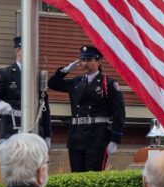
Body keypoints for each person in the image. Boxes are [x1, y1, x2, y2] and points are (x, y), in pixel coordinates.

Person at [47, 44, 126, 172]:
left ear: (99, 61)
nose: (85, 63)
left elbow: (119, 112)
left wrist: (115, 138)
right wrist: (66, 70)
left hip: (97, 136)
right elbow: (52, 84)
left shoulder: (108, 83)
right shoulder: (76, 82)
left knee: (93, 176)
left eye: (89, 60)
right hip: (77, 135)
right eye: (83, 60)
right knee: (76, 177)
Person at [0, 36, 52, 147]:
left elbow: (44, 106)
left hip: (36, 130)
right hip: (13, 130)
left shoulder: (38, 76)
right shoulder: (5, 73)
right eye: (29, 50)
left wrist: (47, 135)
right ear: (18, 51)